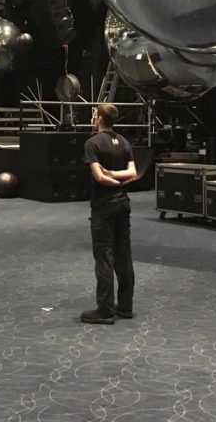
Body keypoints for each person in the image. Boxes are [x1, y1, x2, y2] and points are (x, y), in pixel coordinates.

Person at [80, 103, 137, 325]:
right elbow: (132, 172)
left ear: (100, 119)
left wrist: (111, 178)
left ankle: (105, 310)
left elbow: (100, 177)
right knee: (124, 255)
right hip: (123, 203)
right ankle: (125, 307)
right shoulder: (124, 142)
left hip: (104, 206)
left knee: (104, 257)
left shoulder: (92, 143)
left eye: (95, 115)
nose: (94, 118)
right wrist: (120, 180)